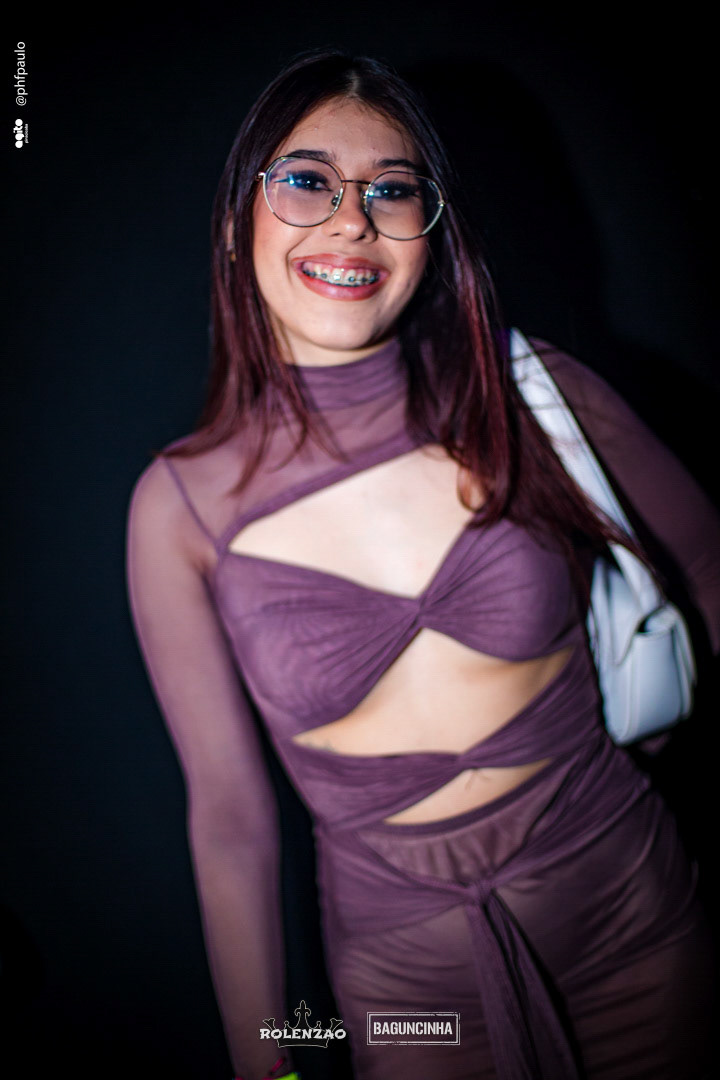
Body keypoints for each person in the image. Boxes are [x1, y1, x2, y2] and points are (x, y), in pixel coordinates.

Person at [125, 48, 719, 1080]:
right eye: (305, 180)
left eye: (392, 190)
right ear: (235, 221)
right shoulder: (178, 508)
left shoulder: (533, 398)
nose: (351, 220)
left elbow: (707, 564)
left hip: (640, 924)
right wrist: (268, 1064)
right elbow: (229, 820)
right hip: (408, 1001)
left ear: (430, 234)